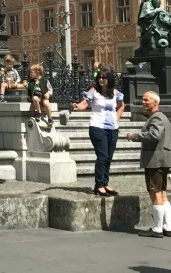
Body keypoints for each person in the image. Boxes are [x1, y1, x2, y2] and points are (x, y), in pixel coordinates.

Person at [71, 65, 125, 196]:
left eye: (104, 77)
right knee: (102, 156)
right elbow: (85, 104)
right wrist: (77, 106)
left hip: (112, 128)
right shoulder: (94, 91)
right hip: (97, 127)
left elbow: (121, 106)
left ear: (109, 79)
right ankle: (99, 184)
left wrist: (116, 119)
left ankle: (105, 183)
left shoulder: (116, 93)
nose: (101, 80)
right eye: (99, 77)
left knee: (109, 157)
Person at [125, 91, 171, 238]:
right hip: (163, 159)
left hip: (155, 159)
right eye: (143, 100)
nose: (143, 102)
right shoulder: (163, 117)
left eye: (146, 100)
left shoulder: (157, 117)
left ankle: (157, 229)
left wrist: (134, 136)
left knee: (155, 192)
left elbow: (154, 135)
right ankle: (168, 226)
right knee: (163, 193)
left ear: (155, 103)